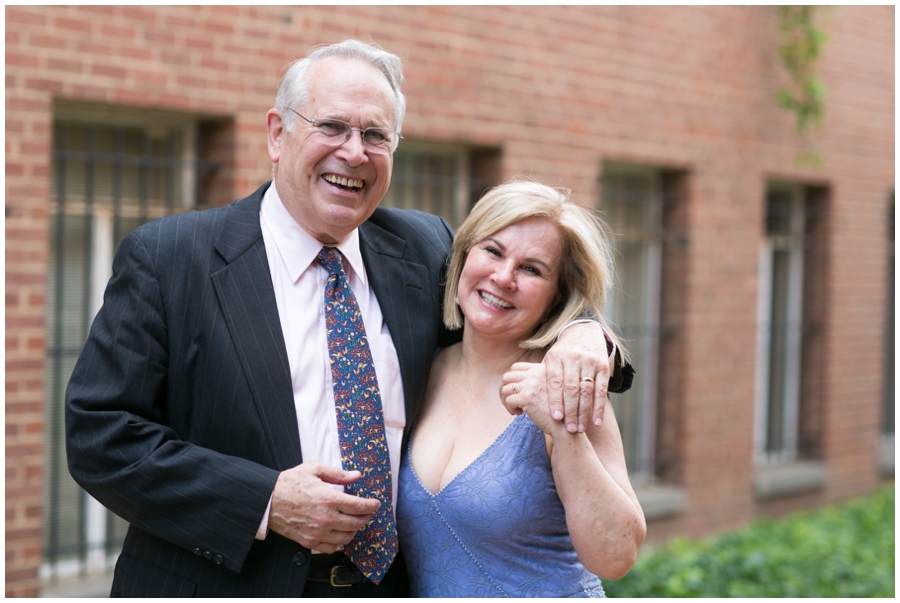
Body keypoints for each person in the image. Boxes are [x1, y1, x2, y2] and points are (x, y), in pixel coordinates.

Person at [65, 40, 629, 598]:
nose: (354, 153)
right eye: (331, 126)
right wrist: (263, 501)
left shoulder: (423, 246)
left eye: (375, 135)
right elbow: (101, 435)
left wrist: (585, 333)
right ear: (277, 134)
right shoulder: (170, 258)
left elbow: (518, 287)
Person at [396, 180, 646, 598]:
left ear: (556, 297)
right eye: (492, 251)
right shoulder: (419, 369)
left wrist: (565, 433)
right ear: (463, 256)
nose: (503, 277)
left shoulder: (568, 385)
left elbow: (617, 556)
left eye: (532, 269)